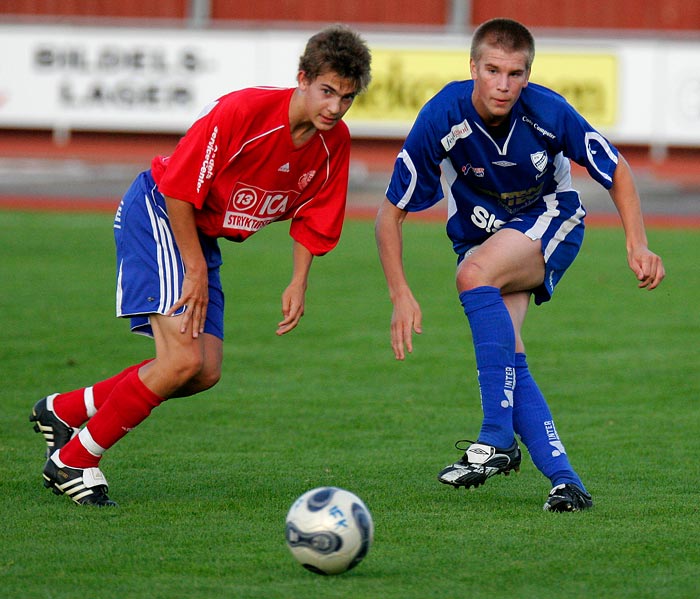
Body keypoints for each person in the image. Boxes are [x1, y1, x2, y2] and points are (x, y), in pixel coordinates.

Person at [30, 25, 372, 507]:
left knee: (203, 370)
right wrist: (194, 268)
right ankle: (75, 459)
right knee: (181, 360)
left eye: (348, 98)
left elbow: (315, 216)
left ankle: (65, 410)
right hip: (161, 212)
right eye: (327, 91)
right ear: (302, 78)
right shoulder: (244, 111)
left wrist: (298, 280)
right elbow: (178, 188)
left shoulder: (333, 143)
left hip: (199, 235)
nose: (335, 107)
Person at [375, 18, 664, 512]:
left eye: (515, 73)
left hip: (551, 219)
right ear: (473, 68)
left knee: (473, 276)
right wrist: (400, 293)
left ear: (527, 76)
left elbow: (616, 169)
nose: (503, 84)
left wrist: (636, 244)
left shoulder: (547, 111)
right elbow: (389, 214)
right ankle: (566, 482)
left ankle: (497, 440)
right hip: (480, 236)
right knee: (507, 353)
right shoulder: (442, 115)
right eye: (492, 70)